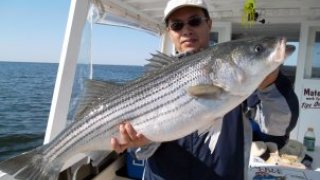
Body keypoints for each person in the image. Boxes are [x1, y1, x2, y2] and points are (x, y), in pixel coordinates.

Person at [110, 0, 299, 179]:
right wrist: (139, 143)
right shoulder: (156, 76)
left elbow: (277, 128)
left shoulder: (245, 84)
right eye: (177, 25)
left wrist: (270, 85)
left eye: (194, 21)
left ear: (208, 23)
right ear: (169, 32)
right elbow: (142, 152)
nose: (186, 30)